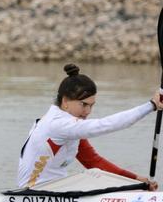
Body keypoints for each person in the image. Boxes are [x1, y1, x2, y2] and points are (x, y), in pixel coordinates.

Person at [17, 64, 163, 189]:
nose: (88, 112)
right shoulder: (58, 124)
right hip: (35, 192)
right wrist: (151, 106)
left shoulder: (66, 125)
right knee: (93, 176)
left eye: (91, 106)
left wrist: (136, 179)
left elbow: (93, 161)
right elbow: (106, 125)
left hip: (56, 188)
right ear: (65, 101)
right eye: (84, 105)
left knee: (96, 174)